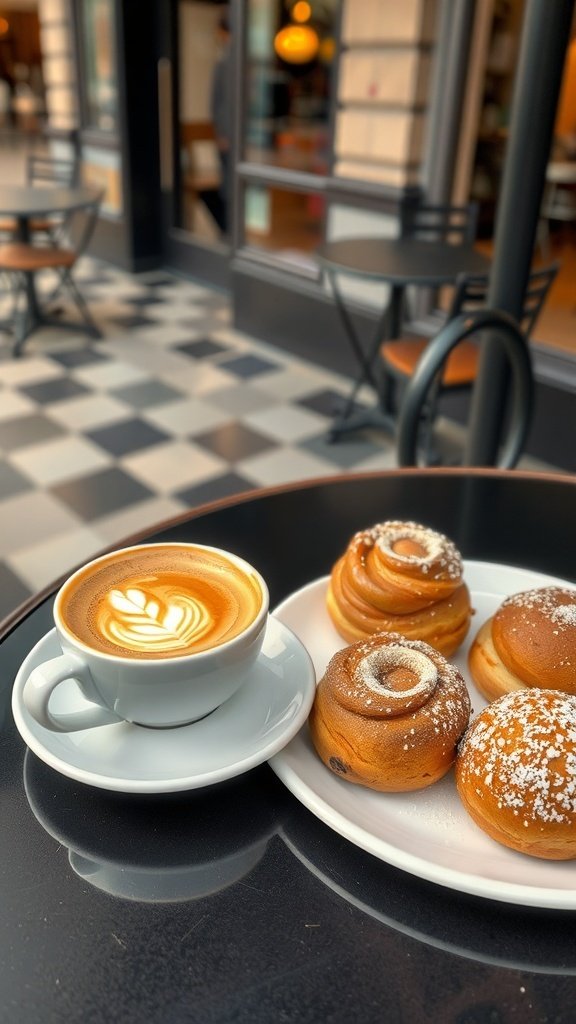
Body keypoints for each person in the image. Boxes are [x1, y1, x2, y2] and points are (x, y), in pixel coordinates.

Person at [210, 10, 233, 235]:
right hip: (230, 135)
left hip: (230, 135)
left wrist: (222, 133)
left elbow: (221, 102)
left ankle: (228, 231)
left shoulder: (229, 60)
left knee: (229, 183)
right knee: (229, 182)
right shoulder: (228, 59)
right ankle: (229, 230)